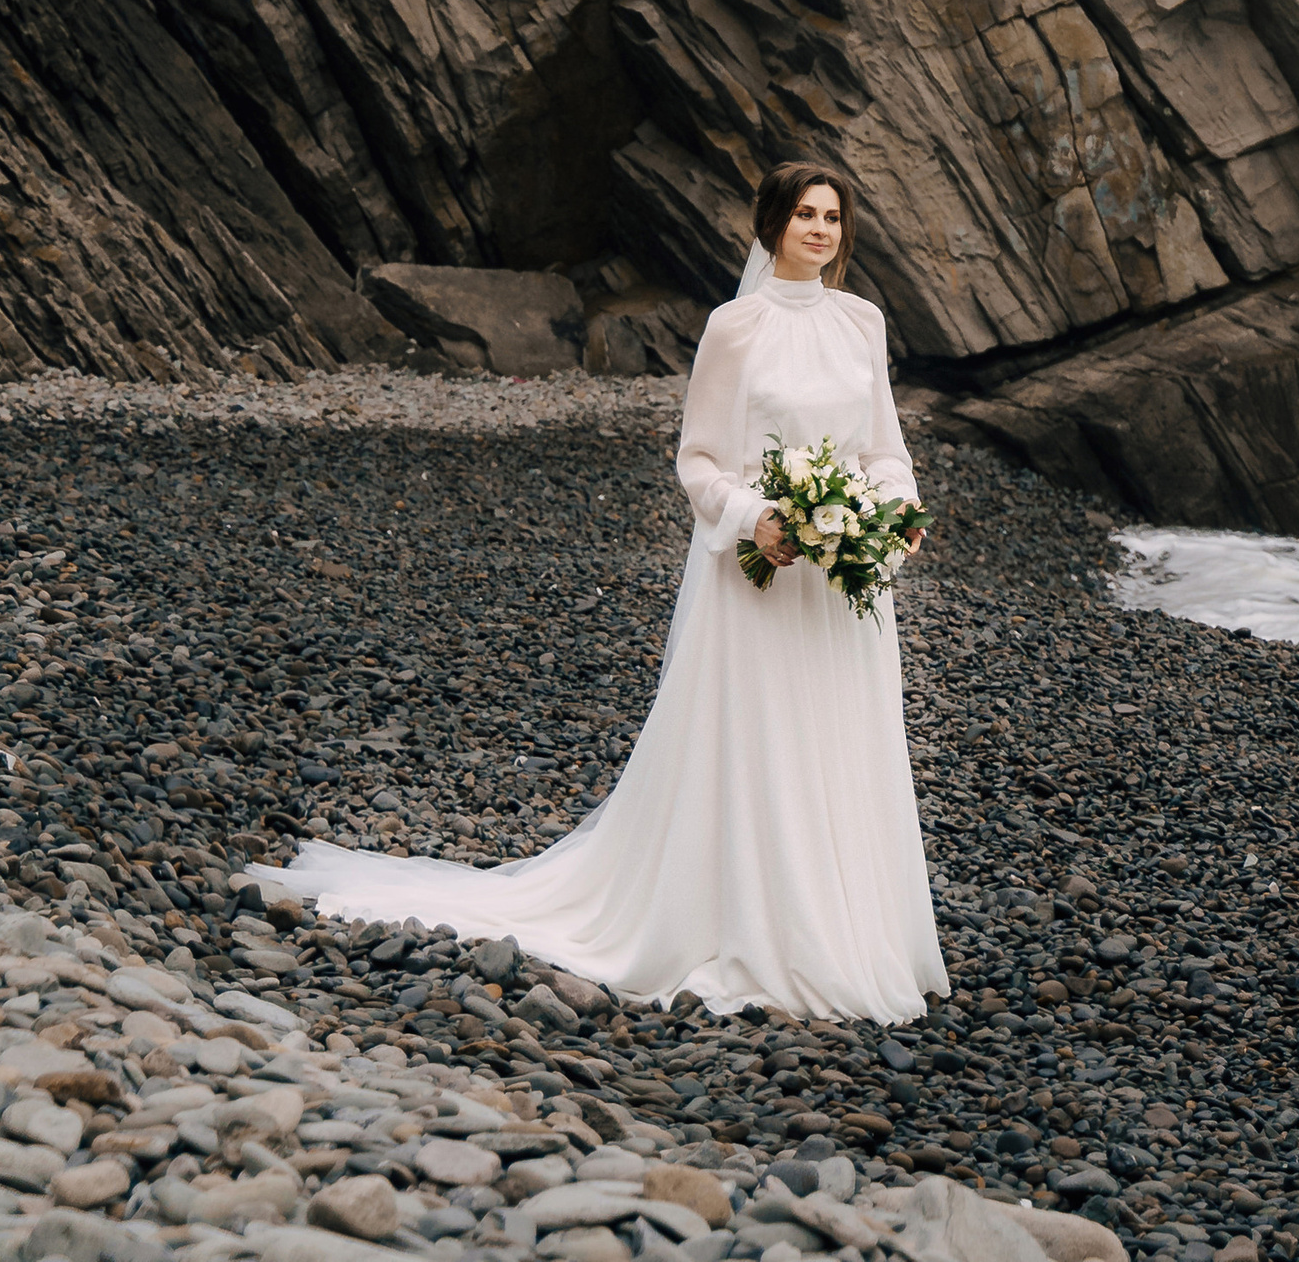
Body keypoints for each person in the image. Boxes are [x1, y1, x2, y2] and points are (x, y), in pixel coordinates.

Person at [254, 161, 946, 1018]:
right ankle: (764, 928)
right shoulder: (736, 328)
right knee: (762, 742)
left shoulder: (862, 323)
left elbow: (882, 447)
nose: (820, 230)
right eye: (804, 214)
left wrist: (895, 513)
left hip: (843, 580)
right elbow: (696, 462)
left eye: (833, 217)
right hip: (761, 574)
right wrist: (758, 520)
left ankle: (851, 930)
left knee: (838, 740)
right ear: (771, 228)